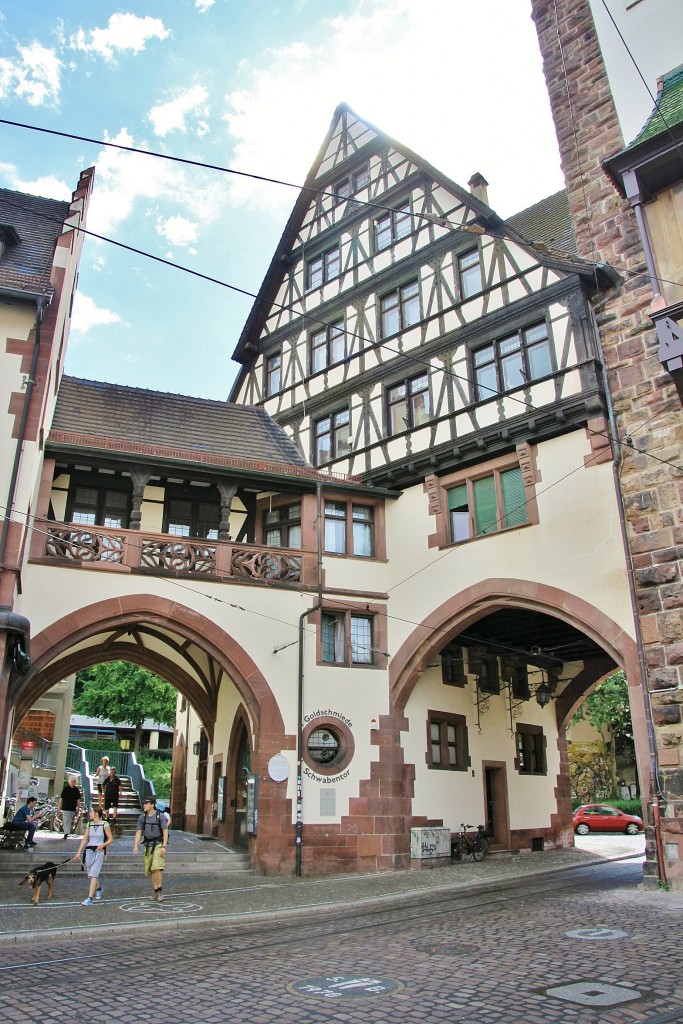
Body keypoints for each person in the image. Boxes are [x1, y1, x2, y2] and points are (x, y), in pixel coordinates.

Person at [73, 805, 113, 905]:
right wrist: (78, 852)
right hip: (89, 851)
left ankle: (90, 898)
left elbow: (110, 839)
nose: (89, 814)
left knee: (94, 874)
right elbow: (85, 839)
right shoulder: (89, 825)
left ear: (96, 813)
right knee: (90, 875)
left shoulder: (105, 824)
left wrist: (103, 845)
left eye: (91, 812)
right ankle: (99, 888)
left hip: (99, 851)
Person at [133, 796, 170, 902]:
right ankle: (156, 890)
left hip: (158, 844)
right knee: (151, 869)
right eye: (144, 803)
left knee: (156, 867)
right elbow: (139, 831)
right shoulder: (142, 818)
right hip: (148, 845)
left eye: (146, 803)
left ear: (152, 805)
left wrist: (164, 846)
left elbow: (165, 831)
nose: (144, 805)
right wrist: (135, 845)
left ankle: (159, 891)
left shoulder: (160, 816)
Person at [58, 775, 81, 839]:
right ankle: (66, 833)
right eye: (72, 781)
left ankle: (67, 832)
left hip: (72, 808)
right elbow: (61, 799)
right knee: (66, 820)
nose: (73, 783)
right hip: (65, 807)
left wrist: (78, 808)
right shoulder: (65, 789)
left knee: (70, 820)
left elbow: (78, 800)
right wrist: (59, 807)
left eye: (74, 781)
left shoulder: (76, 790)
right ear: (69, 782)